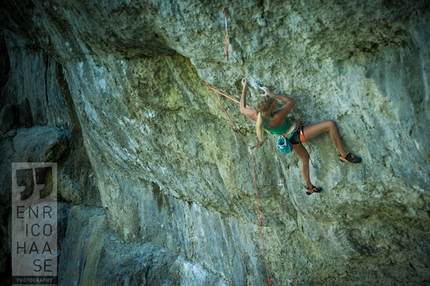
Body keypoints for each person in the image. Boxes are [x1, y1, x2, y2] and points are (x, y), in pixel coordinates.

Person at [239, 78, 361, 195]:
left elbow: (242, 108)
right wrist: (273, 95)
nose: (277, 103)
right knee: (330, 125)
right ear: (272, 109)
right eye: (276, 103)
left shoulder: (256, 115)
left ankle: (309, 187)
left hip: (289, 140)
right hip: (298, 134)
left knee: (305, 159)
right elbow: (291, 101)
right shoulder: (278, 116)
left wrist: (244, 88)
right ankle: (344, 154)